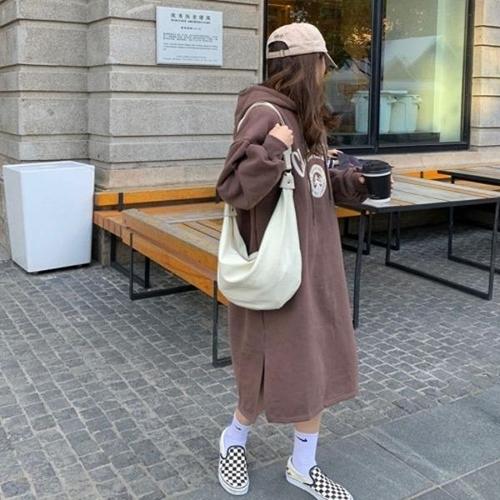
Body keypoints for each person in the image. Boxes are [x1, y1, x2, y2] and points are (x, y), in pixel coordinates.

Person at [215, 22, 369, 500]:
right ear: (306, 65)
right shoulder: (265, 113)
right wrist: (273, 149)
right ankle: (233, 439)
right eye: (322, 64)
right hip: (278, 270)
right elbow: (233, 188)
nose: (326, 73)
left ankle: (303, 465)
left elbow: (310, 184)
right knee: (264, 366)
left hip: (318, 269)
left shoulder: (306, 118)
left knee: (315, 366)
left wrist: (348, 182)